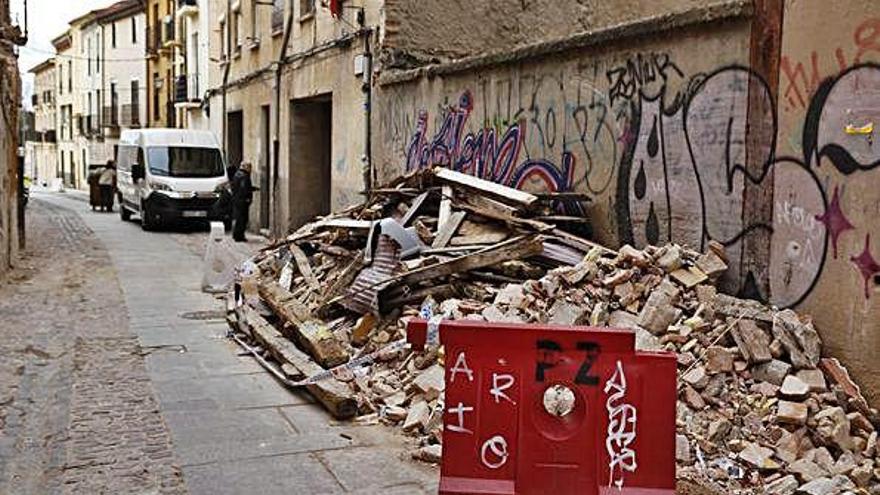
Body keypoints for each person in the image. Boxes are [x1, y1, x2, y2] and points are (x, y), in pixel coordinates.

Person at [231, 161, 257, 242]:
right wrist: (247, 197)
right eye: (249, 167)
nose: (250, 169)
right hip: (243, 201)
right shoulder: (244, 176)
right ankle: (240, 236)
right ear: (245, 167)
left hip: (237, 200)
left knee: (238, 218)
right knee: (242, 219)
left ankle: (236, 235)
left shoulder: (236, 174)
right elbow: (244, 188)